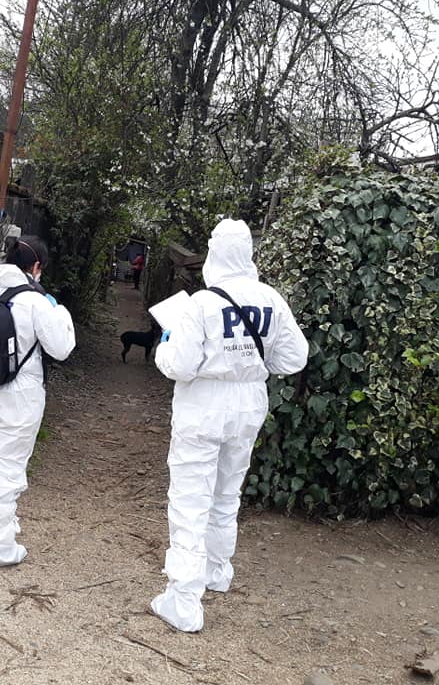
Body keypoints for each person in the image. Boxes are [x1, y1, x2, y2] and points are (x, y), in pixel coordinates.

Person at [150, 219, 308, 632]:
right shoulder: (271, 299)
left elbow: (179, 365)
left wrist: (165, 346)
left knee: (189, 497)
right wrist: (257, 364)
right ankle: (217, 571)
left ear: (215, 253)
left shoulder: (202, 303)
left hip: (203, 402)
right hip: (248, 403)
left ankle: (183, 598)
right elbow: (294, 358)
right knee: (226, 492)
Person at [0, 236, 76, 566]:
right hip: (17, 398)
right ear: (36, 268)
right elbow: (61, 348)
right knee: (6, 469)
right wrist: (58, 308)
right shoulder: (36, 302)